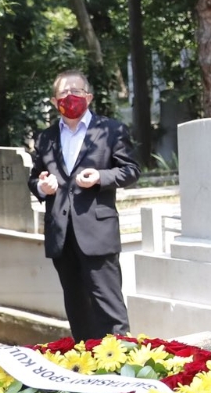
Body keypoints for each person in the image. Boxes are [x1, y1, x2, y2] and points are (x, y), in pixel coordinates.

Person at [29, 70, 139, 340]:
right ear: (55, 102)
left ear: (88, 96)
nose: (70, 97)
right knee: (77, 308)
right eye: (64, 93)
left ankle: (122, 367)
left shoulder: (111, 130)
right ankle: (86, 367)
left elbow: (131, 170)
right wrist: (42, 187)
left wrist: (101, 177)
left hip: (97, 233)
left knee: (109, 308)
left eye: (76, 91)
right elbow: (35, 178)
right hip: (61, 236)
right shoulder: (45, 137)